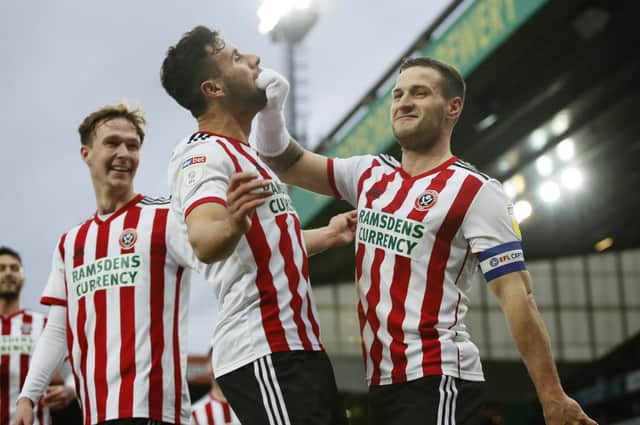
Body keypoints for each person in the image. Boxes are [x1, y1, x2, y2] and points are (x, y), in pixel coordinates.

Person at [251, 58, 599, 425]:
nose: (403, 102)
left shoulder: (477, 192)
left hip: (437, 377)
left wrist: (552, 395)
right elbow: (283, 161)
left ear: (453, 107)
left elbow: (518, 297)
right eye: (398, 94)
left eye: (420, 93)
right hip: (383, 382)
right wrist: (271, 108)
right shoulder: (369, 174)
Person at [160, 26, 353, 425]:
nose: (254, 60)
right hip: (264, 347)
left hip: (298, 346)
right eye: (234, 57)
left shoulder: (250, 155)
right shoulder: (201, 155)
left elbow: (268, 241)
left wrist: (329, 235)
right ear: (213, 88)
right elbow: (203, 238)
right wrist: (230, 224)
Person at [13, 102, 196, 425]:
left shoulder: (165, 217)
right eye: (112, 143)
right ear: (86, 153)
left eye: (133, 145)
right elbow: (58, 330)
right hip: (95, 412)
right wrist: (28, 396)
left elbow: (219, 255)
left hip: (152, 410)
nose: (124, 153)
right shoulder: (71, 243)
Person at [0, 246, 76, 425]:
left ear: (23, 278)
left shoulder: (44, 326)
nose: (9, 273)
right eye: (2, 268)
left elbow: (73, 369)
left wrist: (70, 390)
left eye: (14, 268)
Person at [190, 348, 240, 425]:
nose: (220, 367)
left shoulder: (250, 407)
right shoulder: (194, 414)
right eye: (216, 360)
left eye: (225, 361)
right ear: (207, 366)